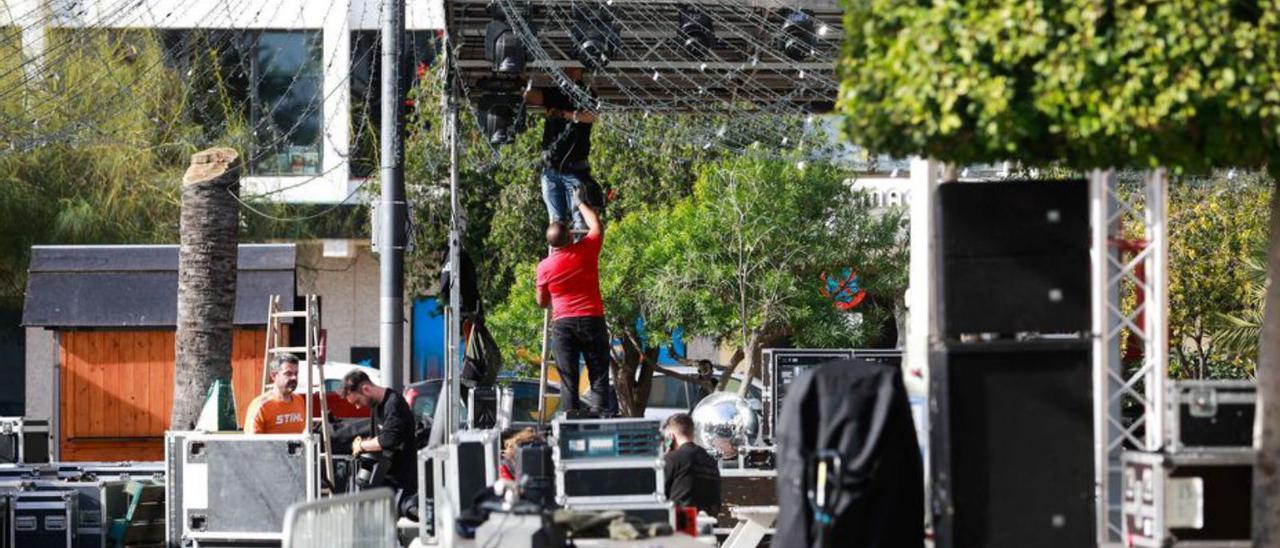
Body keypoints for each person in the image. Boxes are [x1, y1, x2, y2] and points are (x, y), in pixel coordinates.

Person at [536, 197, 612, 414]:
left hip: (563, 324)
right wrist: (580, 203)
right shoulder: (586, 251)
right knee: (598, 373)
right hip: (592, 319)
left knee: (568, 378)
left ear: (550, 244)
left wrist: (557, 298)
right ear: (571, 236)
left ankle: (571, 422)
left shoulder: (544, 267)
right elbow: (596, 224)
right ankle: (599, 418)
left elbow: (541, 302)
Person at [525, 67, 600, 232]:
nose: (568, 70)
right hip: (551, 169)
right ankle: (559, 254)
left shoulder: (587, 92)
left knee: (580, 221)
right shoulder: (556, 92)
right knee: (556, 224)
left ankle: (579, 254)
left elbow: (592, 115)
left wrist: (566, 114)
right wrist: (520, 81)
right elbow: (532, 97)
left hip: (576, 169)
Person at [342, 369, 419, 520]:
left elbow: (388, 440)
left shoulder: (394, 403)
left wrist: (362, 446)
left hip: (401, 481)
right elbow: (376, 437)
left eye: (357, 401)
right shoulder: (376, 406)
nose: (358, 407)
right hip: (386, 479)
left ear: (366, 389)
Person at [662, 413, 722, 516]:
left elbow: (659, 492)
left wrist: (665, 458)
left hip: (681, 524)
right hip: (708, 524)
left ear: (670, 437)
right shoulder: (710, 461)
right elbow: (716, 501)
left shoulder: (672, 459)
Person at [245, 355, 307, 434]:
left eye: (296, 373)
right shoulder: (261, 406)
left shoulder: (299, 400)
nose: (294, 378)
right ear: (274, 376)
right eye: (288, 374)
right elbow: (252, 442)